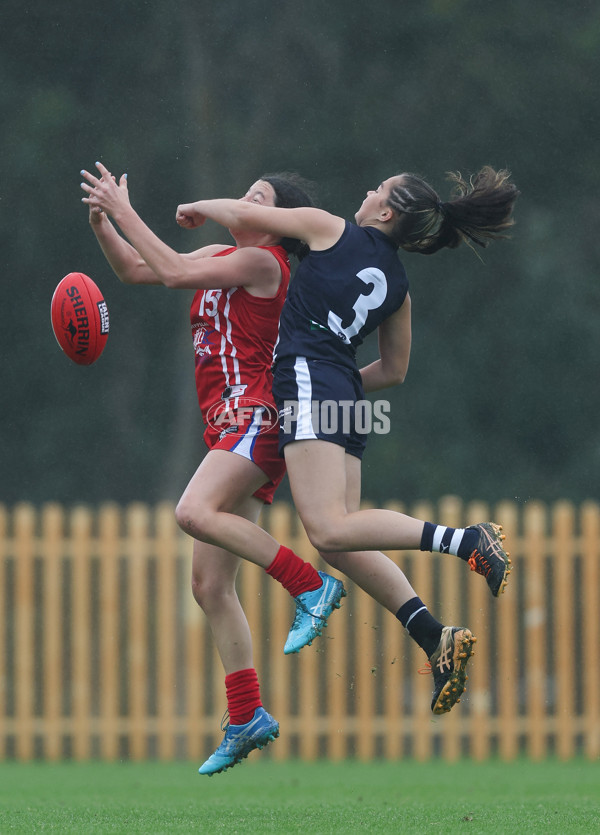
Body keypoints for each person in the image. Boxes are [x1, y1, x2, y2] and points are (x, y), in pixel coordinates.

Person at [170, 164, 518, 714]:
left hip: (311, 383)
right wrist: (343, 381)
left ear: (386, 212)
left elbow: (244, 215)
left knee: (328, 528)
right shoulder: (399, 287)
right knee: (341, 539)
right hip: (344, 394)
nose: (366, 190)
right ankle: (434, 636)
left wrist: (200, 207)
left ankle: (467, 541)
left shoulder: (330, 228)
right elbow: (396, 370)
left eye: (377, 190)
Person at [81, 163, 346, 775]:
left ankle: (310, 584)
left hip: (259, 416)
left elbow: (173, 272)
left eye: (258, 199)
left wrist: (127, 206)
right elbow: (137, 269)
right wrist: (104, 223)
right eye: (245, 194)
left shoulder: (266, 264)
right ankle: (247, 714)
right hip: (229, 429)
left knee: (191, 512)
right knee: (209, 585)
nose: (244, 202)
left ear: (277, 224)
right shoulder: (221, 255)